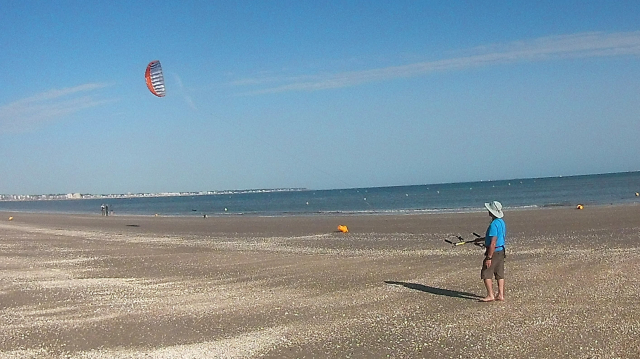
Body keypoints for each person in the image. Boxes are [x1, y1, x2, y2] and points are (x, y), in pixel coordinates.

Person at [479, 200, 506, 302]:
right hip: (501, 251)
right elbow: (496, 237)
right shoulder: (501, 222)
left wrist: (489, 257)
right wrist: (483, 239)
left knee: (486, 272)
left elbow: (493, 242)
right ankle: (501, 294)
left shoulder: (493, 224)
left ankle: (490, 295)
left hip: (494, 251)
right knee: (499, 273)